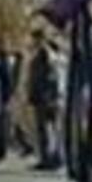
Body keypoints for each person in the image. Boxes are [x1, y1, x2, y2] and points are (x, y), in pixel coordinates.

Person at [27, 28, 63, 171]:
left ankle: (50, 158)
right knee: (47, 129)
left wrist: (49, 95)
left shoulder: (46, 54)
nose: (32, 42)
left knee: (47, 129)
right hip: (42, 96)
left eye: (34, 39)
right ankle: (48, 157)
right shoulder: (42, 54)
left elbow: (51, 76)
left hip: (45, 97)